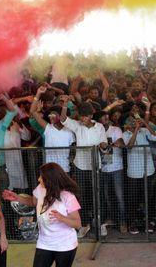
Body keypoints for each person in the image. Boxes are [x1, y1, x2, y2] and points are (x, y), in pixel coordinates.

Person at [3, 163, 81, 267]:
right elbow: (33, 202)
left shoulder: (68, 196)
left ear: (51, 180)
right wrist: (17, 198)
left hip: (65, 245)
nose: (39, 179)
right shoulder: (40, 188)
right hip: (44, 242)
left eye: (42, 177)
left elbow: (77, 223)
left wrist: (62, 218)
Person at [59, 95, 108, 238]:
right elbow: (63, 119)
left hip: (95, 166)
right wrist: (65, 104)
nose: (82, 119)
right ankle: (84, 225)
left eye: (85, 117)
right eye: (81, 117)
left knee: (98, 196)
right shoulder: (77, 126)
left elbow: (104, 144)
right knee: (82, 196)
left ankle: (101, 223)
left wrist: (103, 145)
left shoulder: (99, 127)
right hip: (80, 166)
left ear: (91, 116)